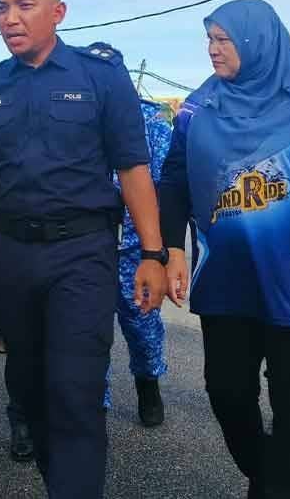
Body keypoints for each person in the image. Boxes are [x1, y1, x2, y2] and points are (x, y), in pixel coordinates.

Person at [0, 0, 169, 498]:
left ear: (59, 12)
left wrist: (154, 252)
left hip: (82, 253)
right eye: (3, 8)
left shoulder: (100, 77)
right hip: (13, 255)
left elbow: (132, 168)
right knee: (29, 391)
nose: (10, 18)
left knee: (75, 390)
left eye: (24, 5)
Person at [159, 0, 290, 499]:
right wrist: (171, 249)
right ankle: (268, 477)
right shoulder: (198, 111)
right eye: (209, 39)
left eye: (223, 40)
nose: (212, 49)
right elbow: (175, 179)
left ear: (257, 43)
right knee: (227, 395)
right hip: (228, 285)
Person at [104, 95, 173, 427]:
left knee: (142, 326)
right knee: (88, 329)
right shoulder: (77, 116)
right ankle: (94, 403)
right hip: (89, 246)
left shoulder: (152, 125)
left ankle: (148, 384)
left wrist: (160, 252)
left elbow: (167, 187)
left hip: (136, 248)